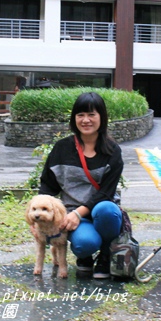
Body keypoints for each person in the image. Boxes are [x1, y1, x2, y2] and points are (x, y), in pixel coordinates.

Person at [38, 91, 123, 279]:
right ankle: (85, 256)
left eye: (92, 114)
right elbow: (47, 187)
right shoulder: (62, 148)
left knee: (106, 209)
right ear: (74, 118)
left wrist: (78, 213)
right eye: (80, 115)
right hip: (73, 215)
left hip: (103, 212)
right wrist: (38, 219)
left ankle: (105, 255)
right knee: (84, 244)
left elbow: (106, 193)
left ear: (102, 117)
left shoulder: (112, 151)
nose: (86, 120)